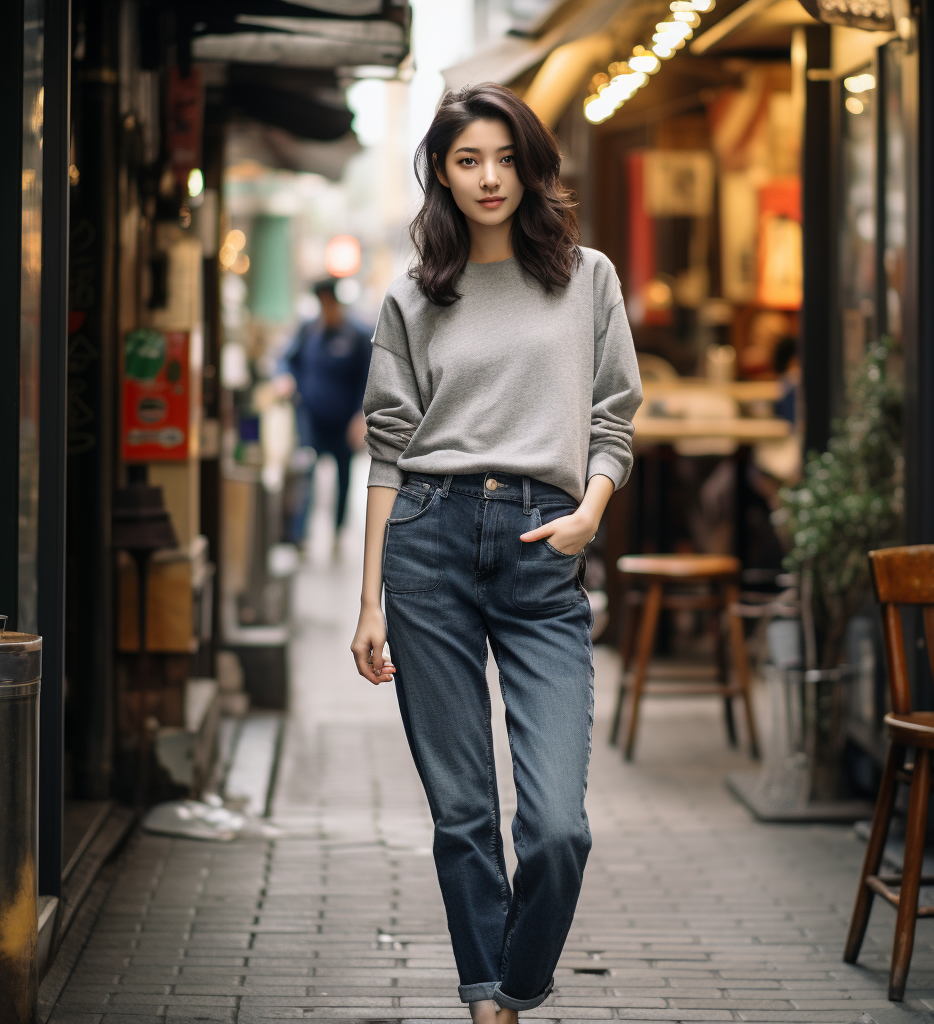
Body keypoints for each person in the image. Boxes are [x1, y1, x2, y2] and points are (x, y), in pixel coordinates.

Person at [349, 83, 642, 1022]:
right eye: (469, 159)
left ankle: (515, 981)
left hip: (542, 544)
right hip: (426, 543)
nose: (490, 178)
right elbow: (388, 449)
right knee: (464, 815)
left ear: (532, 166)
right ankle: (491, 1006)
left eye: (507, 159)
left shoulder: (586, 277)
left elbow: (613, 421)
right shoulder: (413, 292)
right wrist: (367, 603)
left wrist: (591, 512)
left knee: (557, 829)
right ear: (440, 169)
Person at [275, 277, 372, 555]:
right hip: (311, 420)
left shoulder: (357, 335)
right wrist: (285, 377)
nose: (325, 309)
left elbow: (368, 378)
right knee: (307, 473)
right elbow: (286, 361)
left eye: (329, 303)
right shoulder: (308, 330)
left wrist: (361, 415)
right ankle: (299, 535)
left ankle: (338, 532)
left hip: (344, 423)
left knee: (343, 478)